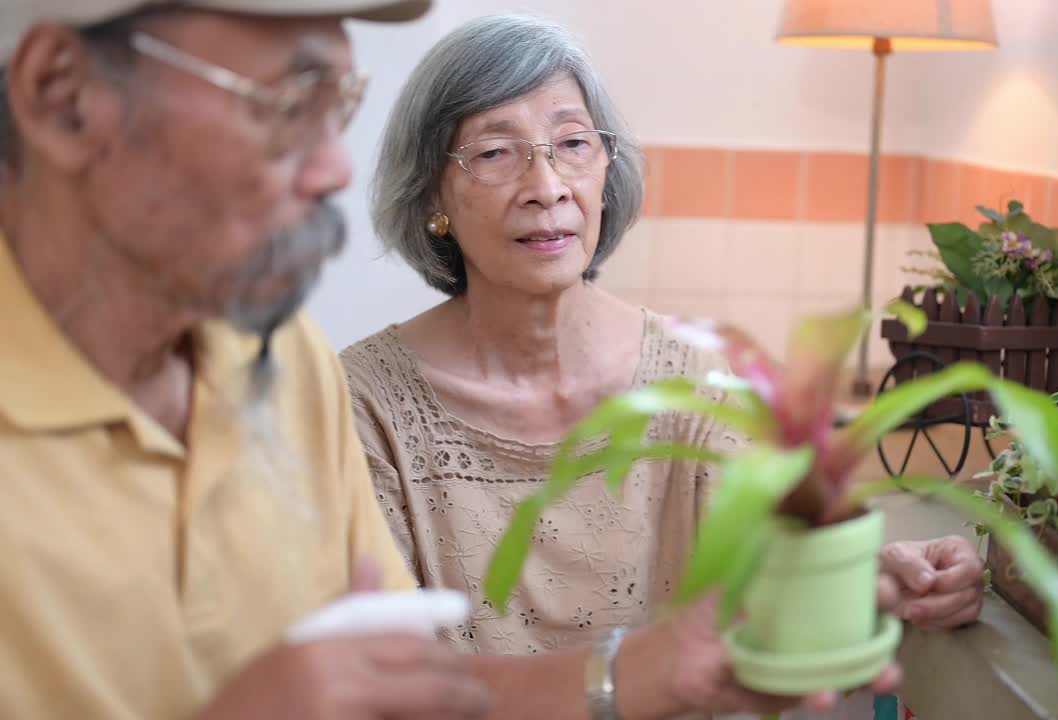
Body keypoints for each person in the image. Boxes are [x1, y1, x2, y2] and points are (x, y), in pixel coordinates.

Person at [342, 13, 986, 720]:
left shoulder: (694, 381)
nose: (547, 184)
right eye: (496, 153)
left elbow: (769, 575)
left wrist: (886, 572)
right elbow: (379, 685)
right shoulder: (362, 406)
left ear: (605, 170)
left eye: (573, 143)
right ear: (433, 198)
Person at [0, 2, 491, 718]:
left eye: (340, 104)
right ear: (63, 98)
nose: (335, 168)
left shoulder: (288, 359)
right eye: (289, 102)